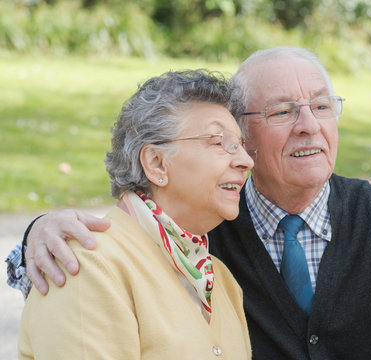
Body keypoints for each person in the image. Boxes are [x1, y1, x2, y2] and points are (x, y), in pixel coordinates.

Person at [7, 47, 371, 359]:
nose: (309, 125)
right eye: (283, 111)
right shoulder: (203, 226)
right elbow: (108, 255)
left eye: (322, 106)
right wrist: (35, 236)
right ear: (245, 138)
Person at [17, 70, 253, 359]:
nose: (245, 160)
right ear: (156, 164)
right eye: (219, 142)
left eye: (240, 145)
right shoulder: (88, 265)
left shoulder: (220, 279)